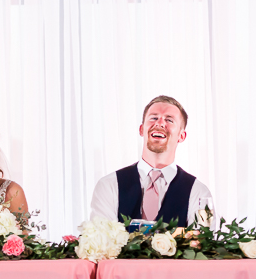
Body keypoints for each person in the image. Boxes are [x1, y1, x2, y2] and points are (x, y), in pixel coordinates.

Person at [90, 95, 212, 227]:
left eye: (169, 120)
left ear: (181, 136)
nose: (159, 123)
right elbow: (102, 241)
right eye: (154, 118)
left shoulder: (199, 193)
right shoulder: (108, 186)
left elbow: (203, 243)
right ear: (141, 129)